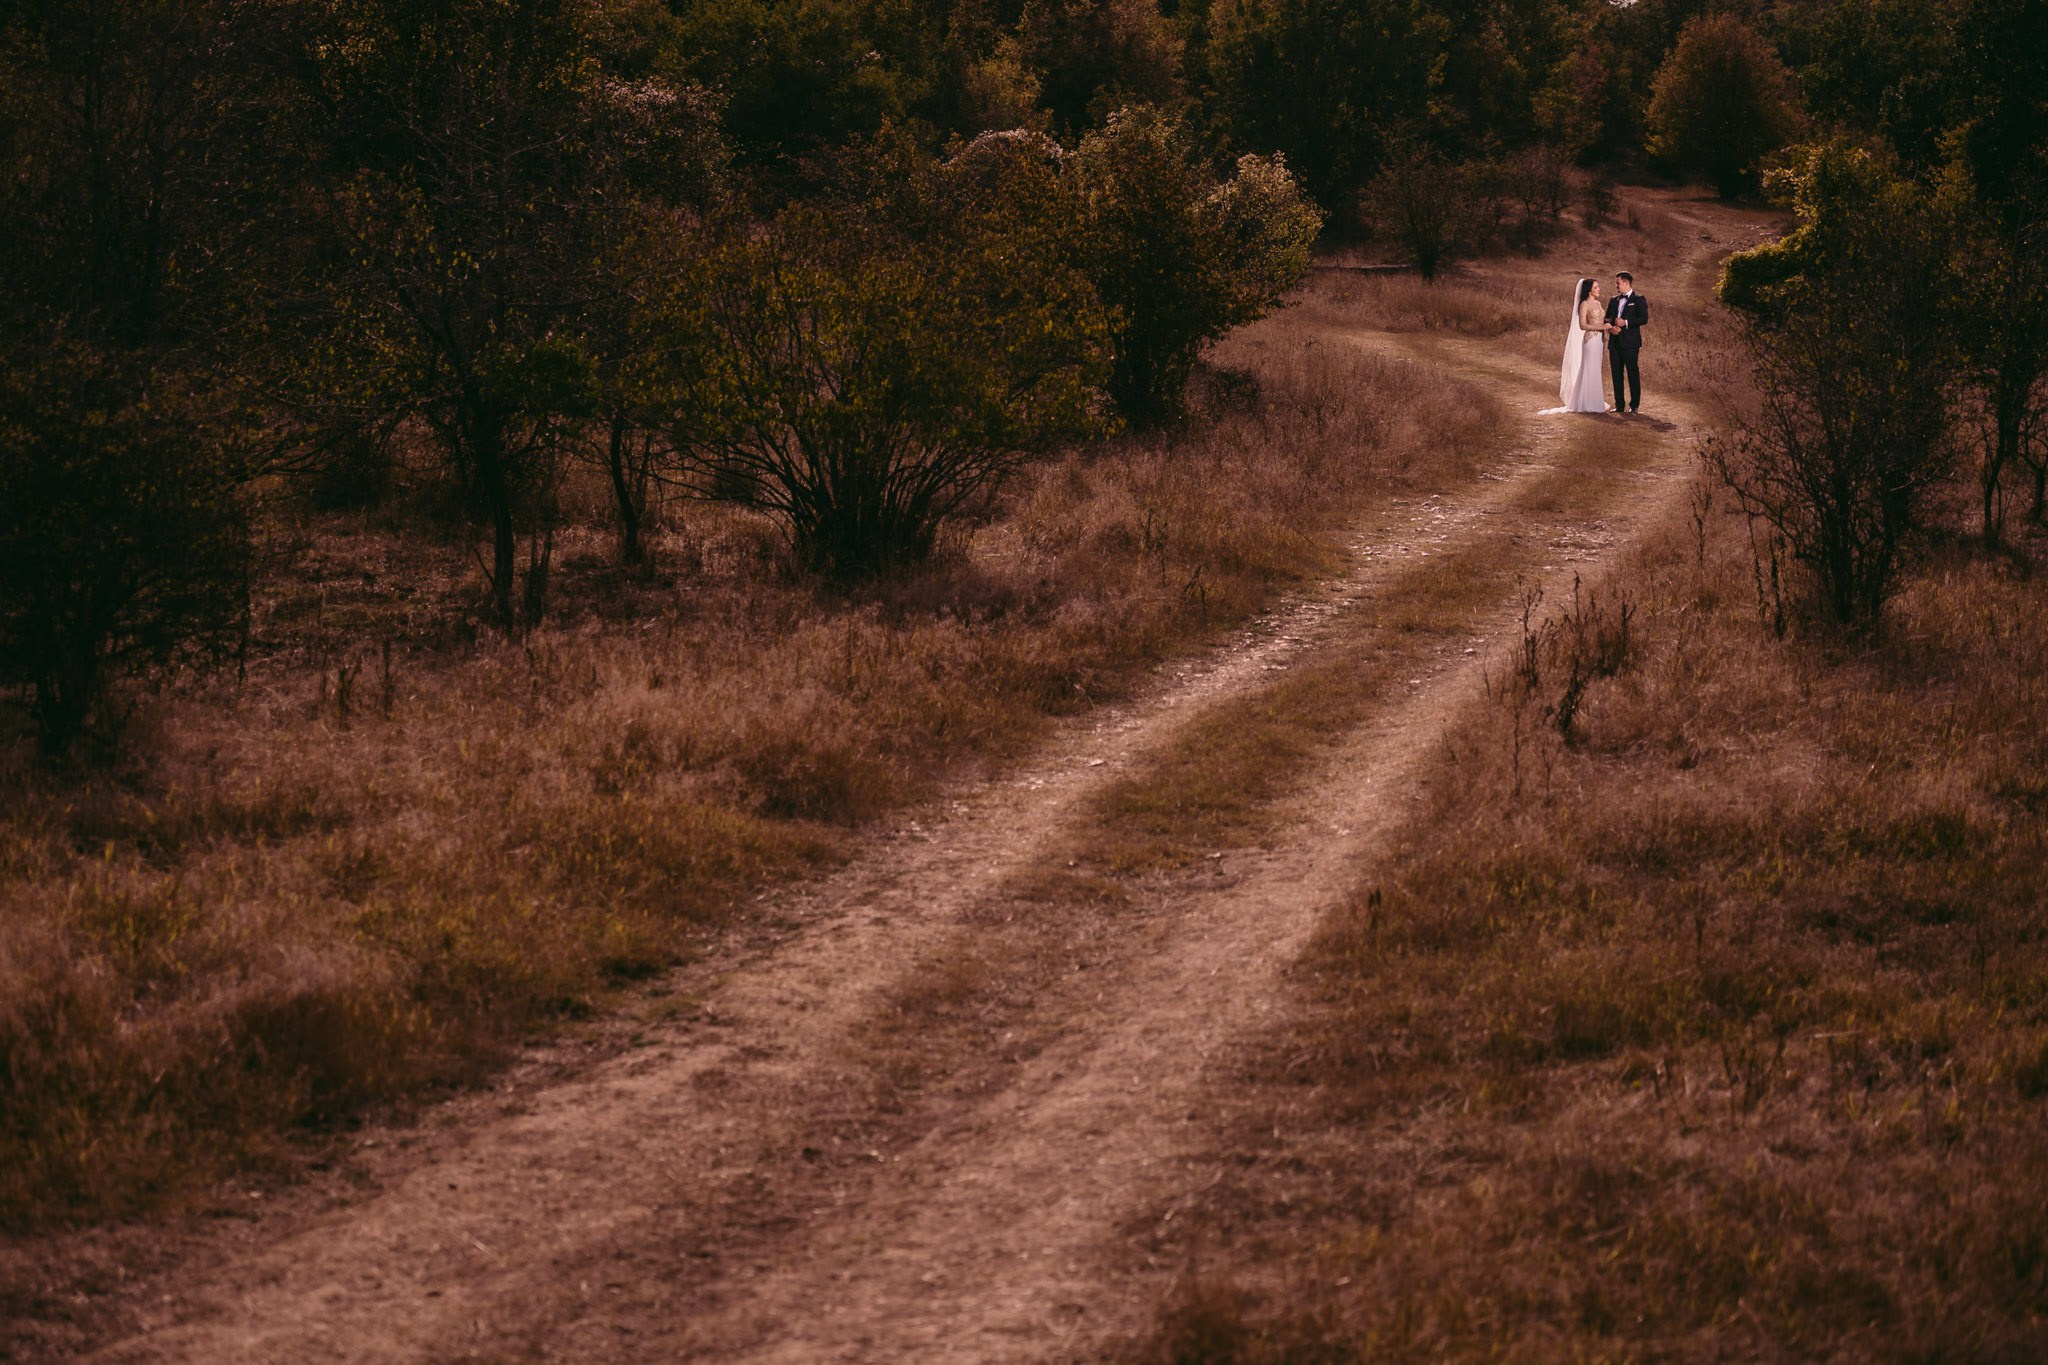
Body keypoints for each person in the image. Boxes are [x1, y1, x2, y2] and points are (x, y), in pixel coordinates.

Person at [1558, 277, 1611, 413]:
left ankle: (1595, 400)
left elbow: (1603, 319)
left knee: (1596, 370)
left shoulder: (1598, 304)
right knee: (1588, 369)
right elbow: (1583, 325)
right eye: (1595, 287)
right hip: (1590, 340)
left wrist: (1608, 325)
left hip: (1600, 341)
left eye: (1598, 287)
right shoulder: (1584, 305)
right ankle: (1585, 402)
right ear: (1589, 291)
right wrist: (1602, 326)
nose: (1598, 289)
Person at [1603, 270, 1648, 413]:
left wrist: (1626, 323)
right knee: (1616, 374)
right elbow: (1606, 318)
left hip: (1631, 344)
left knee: (1632, 373)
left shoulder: (1639, 299)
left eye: (1618, 283)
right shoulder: (1613, 300)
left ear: (1626, 283)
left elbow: (1643, 319)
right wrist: (1611, 329)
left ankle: (1634, 405)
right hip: (1614, 343)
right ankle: (1619, 405)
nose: (1616, 285)